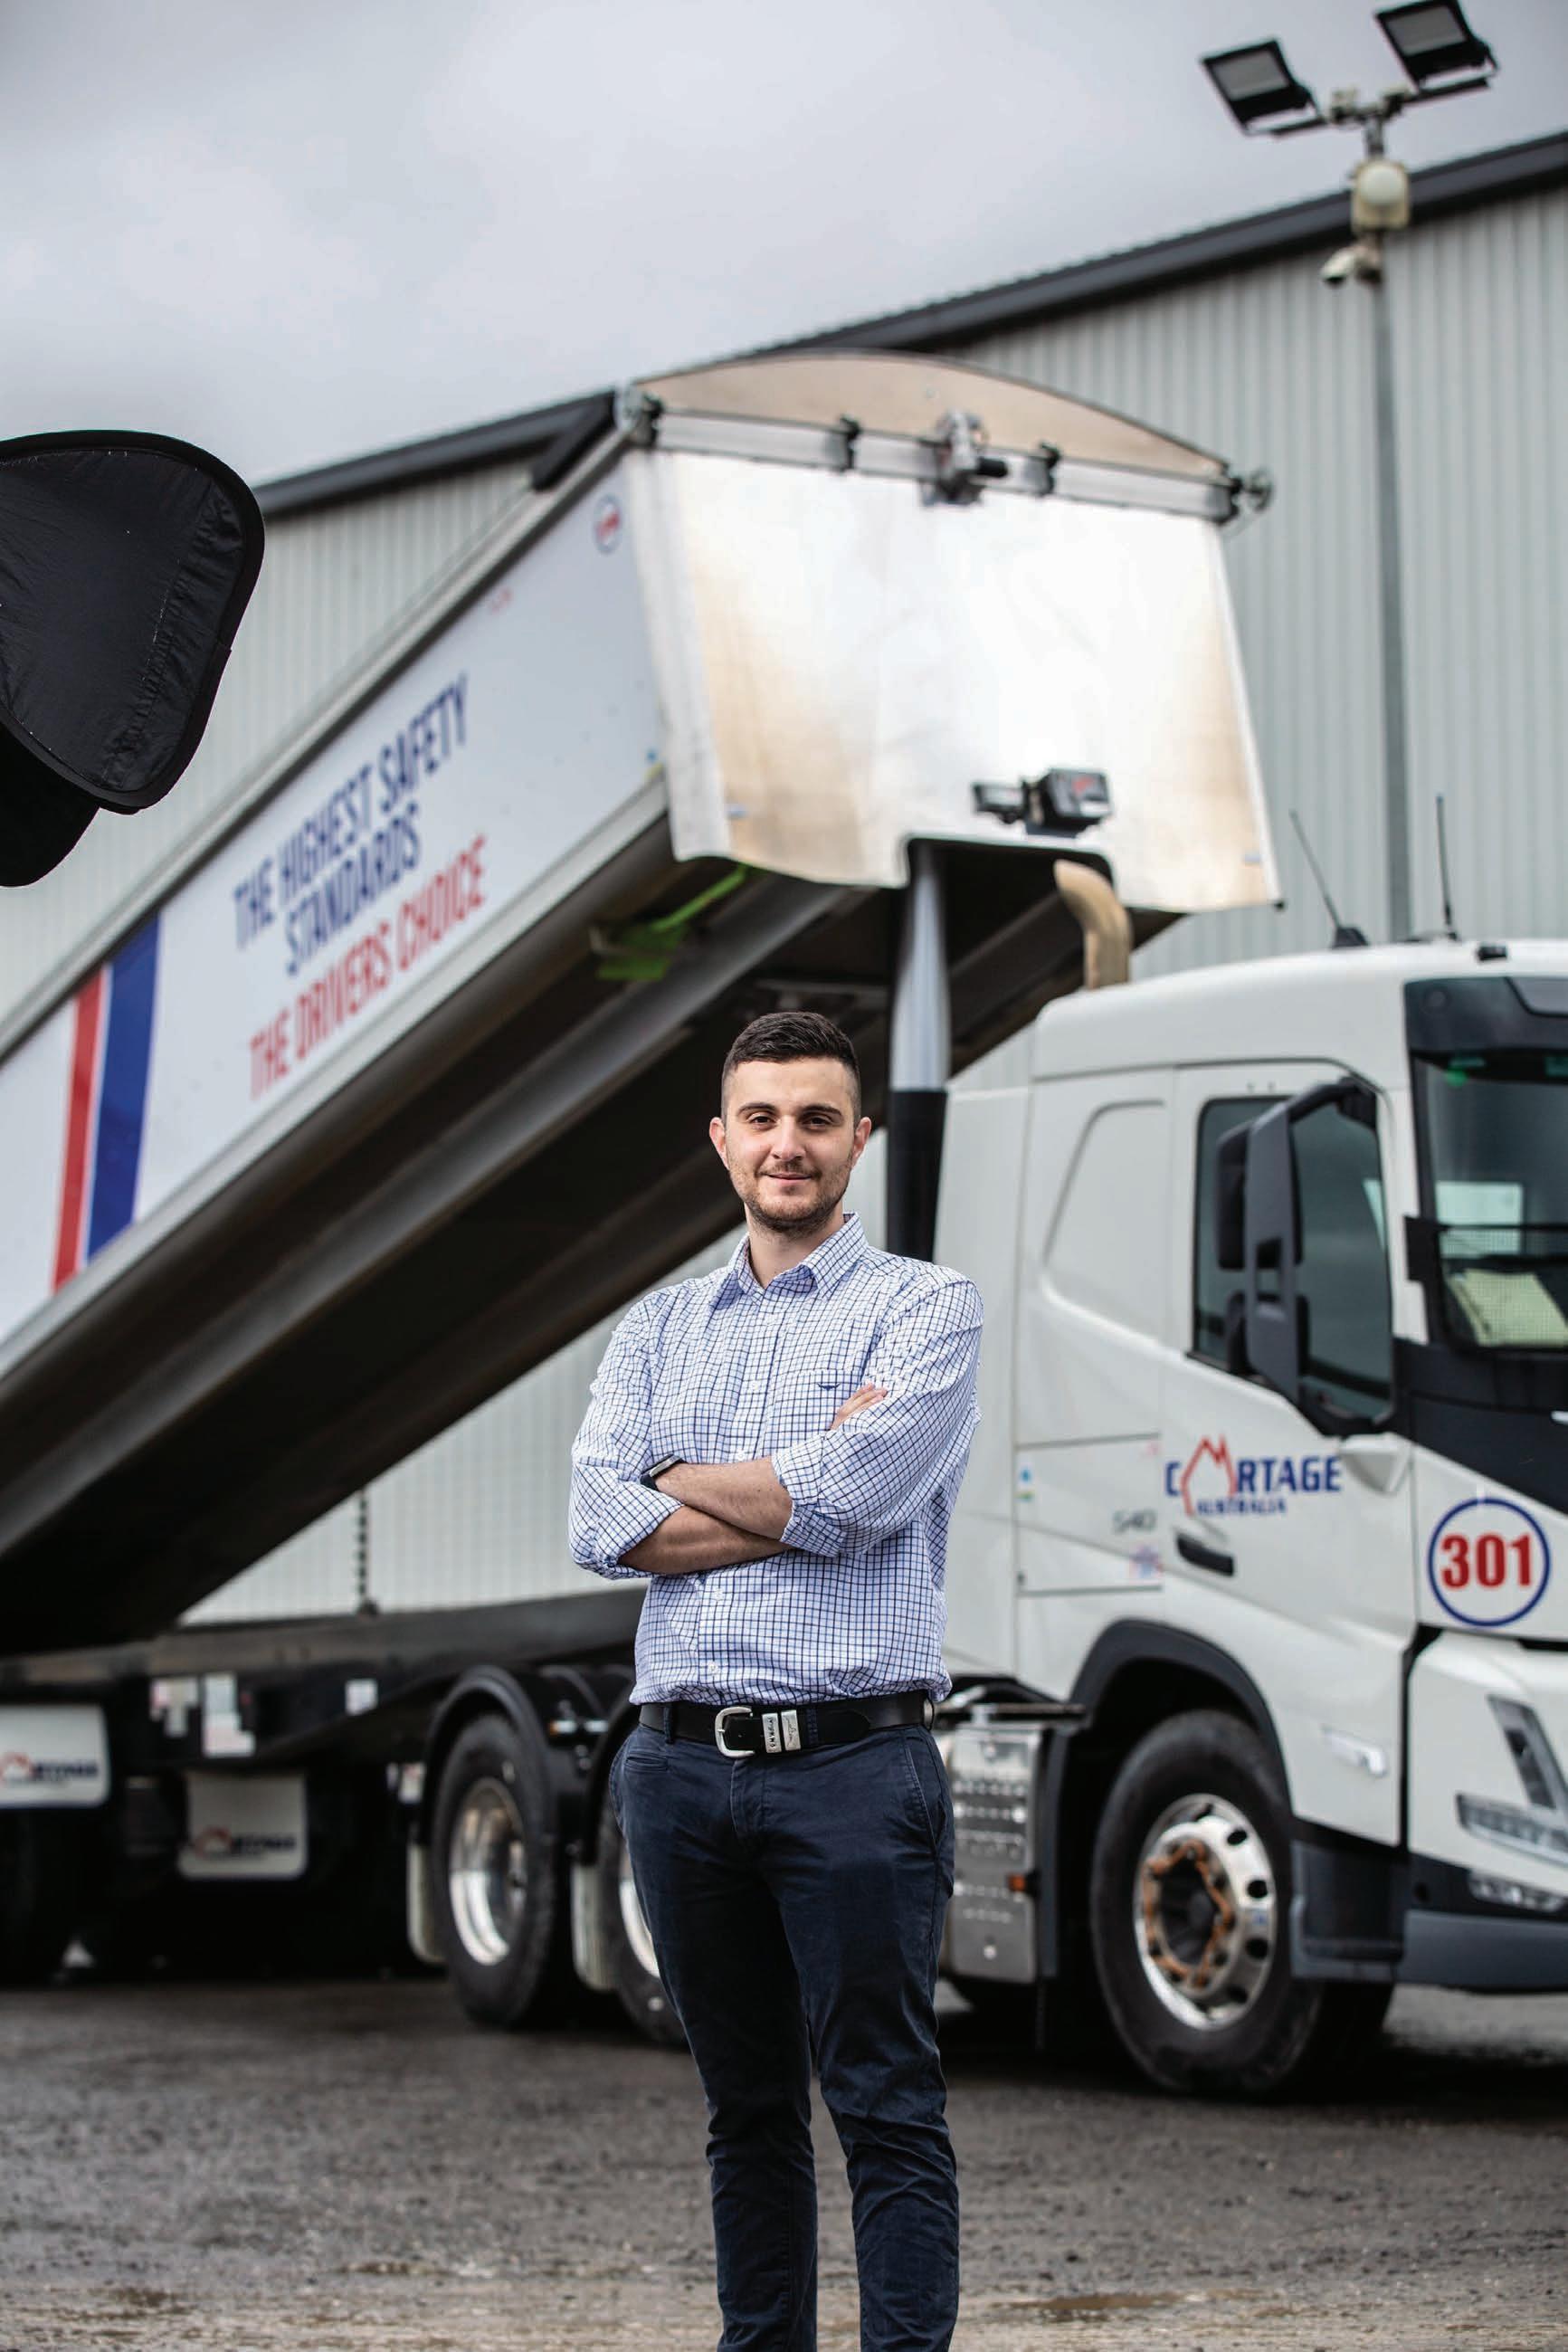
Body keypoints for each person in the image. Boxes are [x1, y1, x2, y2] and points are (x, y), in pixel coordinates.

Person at [569, 1008, 983, 2352]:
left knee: (885, 2105)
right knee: (743, 2112)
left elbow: (857, 1500)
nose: (786, 1144)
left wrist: (677, 1481)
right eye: (761, 1118)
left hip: (854, 1768)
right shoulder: (656, 1327)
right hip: (678, 1771)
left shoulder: (925, 1309)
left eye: (815, 1118)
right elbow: (594, 1521)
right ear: (721, 1139)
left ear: (861, 1137)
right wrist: (795, 1485)